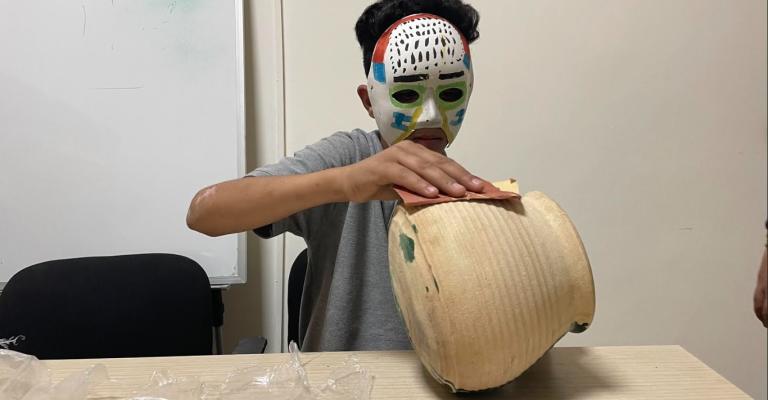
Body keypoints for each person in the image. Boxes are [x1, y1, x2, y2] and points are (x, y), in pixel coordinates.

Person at [186, 0, 482, 351]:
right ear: (369, 101)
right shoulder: (349, 156)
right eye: (406, 94)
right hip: (339, 376)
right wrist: (345, 182)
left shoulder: (463, 193)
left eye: (450, 93)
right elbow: (204, 212)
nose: (431, 115)